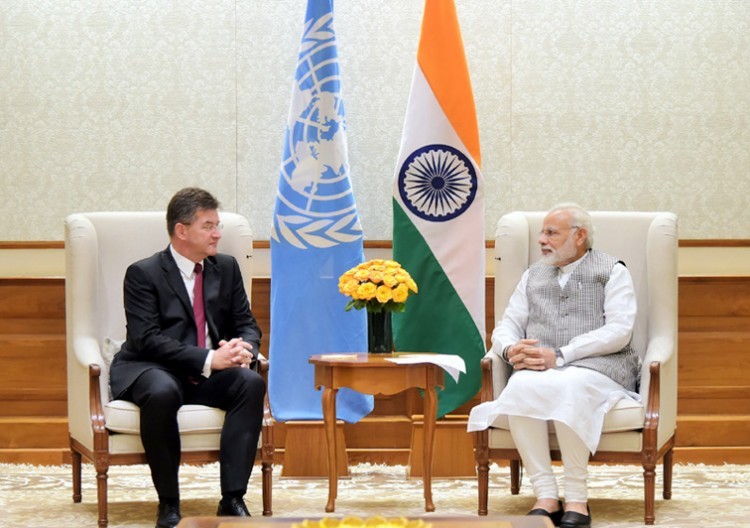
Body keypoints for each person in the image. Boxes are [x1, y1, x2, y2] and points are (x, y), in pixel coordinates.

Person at [468, 203, 640, 528]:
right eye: (542, 233)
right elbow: (507, 325)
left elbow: (619, 331)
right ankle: (546, 495)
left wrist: (561, 355)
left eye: (551, 233)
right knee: (520, 385)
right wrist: (511, 349)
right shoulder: (533, 274)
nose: (542, 240)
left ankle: (577, 498)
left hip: (601, 368)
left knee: (570, 386)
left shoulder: (612, 270)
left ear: (579, 236)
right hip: (541, 368)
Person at [109, 187, 265, 528]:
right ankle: (169, 504)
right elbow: (146, 339)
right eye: (208, 225)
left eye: (218, 224)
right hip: (153, 367)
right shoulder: (143, 273)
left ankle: (232, 499)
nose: (218, 234)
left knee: (250, 383)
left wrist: (243, 348)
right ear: (182, 231)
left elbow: (247, 324)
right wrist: (210, 358)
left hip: (208, 373)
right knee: (162, 391)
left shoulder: (226, 268)